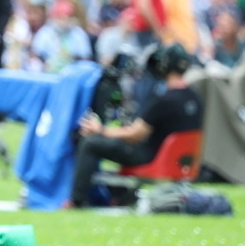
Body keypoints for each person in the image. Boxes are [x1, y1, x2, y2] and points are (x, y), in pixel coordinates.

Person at [70, 43, 204, 208]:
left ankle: (76, 201)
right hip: (179, 162)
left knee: (91, 143)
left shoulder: (165, 101)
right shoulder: (195, 98)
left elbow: (136, 134)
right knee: (115, 146)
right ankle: (121, 197)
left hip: (152, 157)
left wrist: (101, 130)